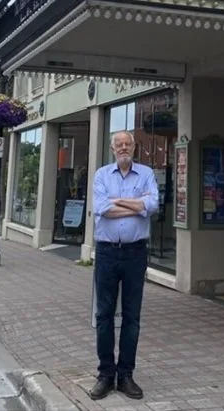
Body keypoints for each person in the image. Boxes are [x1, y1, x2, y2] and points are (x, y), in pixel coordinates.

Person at [90, 130, 159, 401]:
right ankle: (106, 375)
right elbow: (102, 208)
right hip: (107, 253)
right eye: (119, 144)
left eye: (127, 143)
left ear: (134, 147)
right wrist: (136, 206)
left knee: (132, 317)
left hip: (135, 253)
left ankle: (126, 375)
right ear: (111, 148)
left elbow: (152, 204)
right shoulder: (101, 175)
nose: (123, 147)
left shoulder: (146, 173)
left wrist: (118, 201)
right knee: (104, 315)